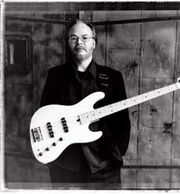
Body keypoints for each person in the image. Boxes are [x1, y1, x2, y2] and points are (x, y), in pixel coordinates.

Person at [40, 20, 131, 189]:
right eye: (73, 38)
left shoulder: (113, 77)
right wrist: (53, 157)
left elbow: (123, 122)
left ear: (93, 43)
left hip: (103, 166)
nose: (79, 42)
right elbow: (43, 115)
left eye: (85, 37)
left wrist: (116, 153)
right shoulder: (55, 75)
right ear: (68, 43)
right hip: (65, 167)